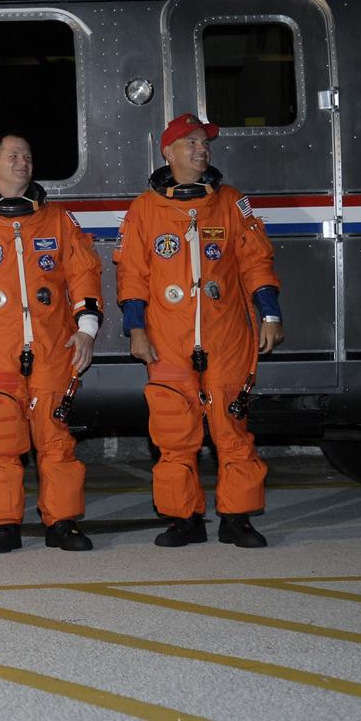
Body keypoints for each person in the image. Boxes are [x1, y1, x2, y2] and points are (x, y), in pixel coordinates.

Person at [115, 113, 283, 548]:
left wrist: (270, 315)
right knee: (174, 433)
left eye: (204, 143)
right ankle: (182, 518)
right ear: (168, 153)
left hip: (225, 334)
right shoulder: (144, 209)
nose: (200, 149)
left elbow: (255, 262)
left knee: (231, 428)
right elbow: (131, 274)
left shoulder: (231, 202)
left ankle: (238, 518)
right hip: (167, 339)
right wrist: (136, 329)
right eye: (190, 143)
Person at [0, 132, 103, 553]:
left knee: (57, 443)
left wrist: (86, 329)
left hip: (52, 350)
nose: (22, 162)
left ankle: (62, 522)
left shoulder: (58, 220)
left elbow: (84, 275)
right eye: (12, 155)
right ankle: (4, 524)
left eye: (27, 155)